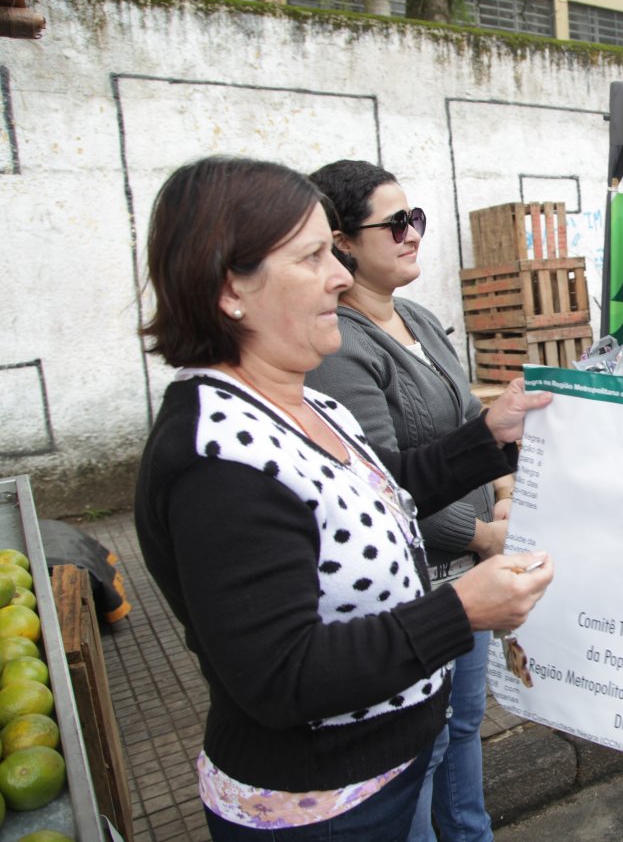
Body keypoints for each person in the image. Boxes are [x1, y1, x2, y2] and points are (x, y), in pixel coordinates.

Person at [134, 156, 554, 841]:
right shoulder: (216, 461)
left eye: (335, 249)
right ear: (229, 287)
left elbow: (375, 490)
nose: (339, 273)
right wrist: (459, 609)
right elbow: (279, 673)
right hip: (323, 806)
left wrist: (488, 435)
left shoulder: (301, 399)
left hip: (388, 774)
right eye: (313, 256)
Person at [305, 159, 506, 842]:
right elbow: (381, 478)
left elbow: (470, 414)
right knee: (430, 747)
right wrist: (484, 535)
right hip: (424, 585)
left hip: (470, 569)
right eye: (394, 224)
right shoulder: (340, 346)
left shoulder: (415, 314)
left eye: (414, 218)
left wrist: (507, 491)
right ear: (342, 243)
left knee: (466, 726)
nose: (412, 233)